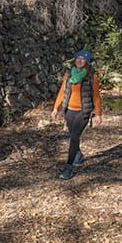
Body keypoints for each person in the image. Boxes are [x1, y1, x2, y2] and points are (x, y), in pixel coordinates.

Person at [51, 50, 102, 179]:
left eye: (83, 59)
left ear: (87, 61)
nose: (79, 61)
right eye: (78, 58)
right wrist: (56, 108)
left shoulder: (91, 76)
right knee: (72, 135)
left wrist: (99, 113)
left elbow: (96, 95)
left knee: (74, 137)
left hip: (83, 111)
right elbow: (62, 91)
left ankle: (68, 167)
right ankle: (78, 154)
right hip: (69, 110)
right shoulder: (68, 74)